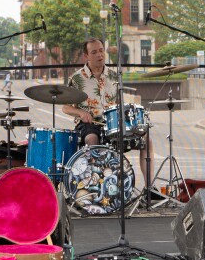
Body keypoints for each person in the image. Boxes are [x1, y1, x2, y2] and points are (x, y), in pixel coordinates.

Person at [62, 38, 154, 186]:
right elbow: (65, 107)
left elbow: (119, 103)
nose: (100, 55)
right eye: (94, 52)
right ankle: (97, 186)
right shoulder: (77, 78)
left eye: (101, 51)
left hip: (112, 123)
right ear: (86, 56)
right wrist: (80, 113)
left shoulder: (114, 76)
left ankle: (150, 188)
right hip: (89, 124)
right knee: (92, 139)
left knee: (146, 140)